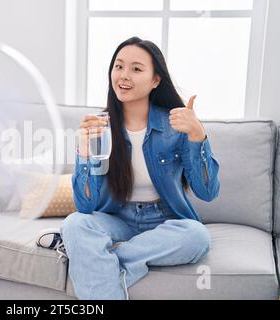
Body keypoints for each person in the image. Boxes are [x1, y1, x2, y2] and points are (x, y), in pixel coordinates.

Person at [60, 36, 220, 300]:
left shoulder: (176, 124)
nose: (124, 75)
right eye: (119, 66)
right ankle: (92, 255)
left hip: (165, 220)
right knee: (76, 224)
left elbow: (207, 192)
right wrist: (85, 152)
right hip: (117, 219)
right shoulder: (100, 126)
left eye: (136, 69)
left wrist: (198, 135)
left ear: (155, 80)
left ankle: (97, 259)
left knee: (197, 236)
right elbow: (86, 207)